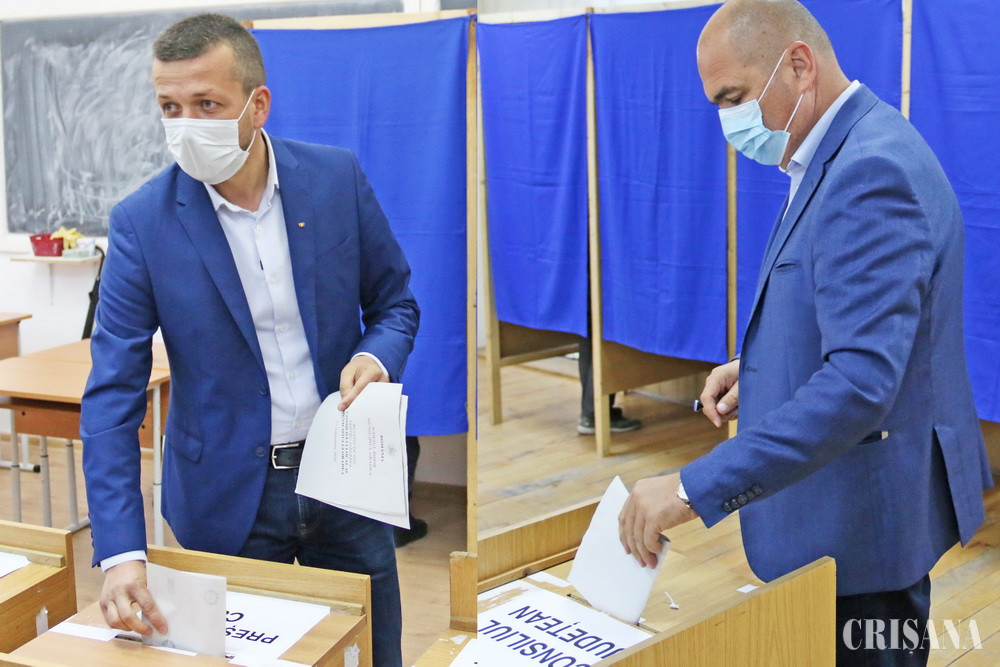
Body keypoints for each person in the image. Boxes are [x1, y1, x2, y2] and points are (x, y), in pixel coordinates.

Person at [618, 1, 993, 664]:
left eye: (733, 97)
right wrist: (762, 367)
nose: (728, 122)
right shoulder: (846, 148)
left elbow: (859, 383)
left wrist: (688, 489)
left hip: (862, 534)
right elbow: (858, 319)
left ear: (798, 65)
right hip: (857, 511)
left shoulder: (869, 172)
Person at [80, 14, 418, 666]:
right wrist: (122, 551)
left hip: (346, 479)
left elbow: (395, 303)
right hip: (226, 497)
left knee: (372, 652)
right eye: (170, 107)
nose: (185, 125)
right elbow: (111, 397)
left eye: (207, 104)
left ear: (257, 105)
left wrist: (374, 355)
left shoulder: (334, 179)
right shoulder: (142, 223)